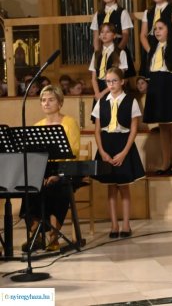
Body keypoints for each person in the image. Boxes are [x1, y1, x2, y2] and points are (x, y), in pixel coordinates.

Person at [21, 85, 81, 252]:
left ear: (60, 102)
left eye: (51, 100)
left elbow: (73, 152)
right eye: (43, 100)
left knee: (57, 187)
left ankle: (53, 238)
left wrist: (58, 174)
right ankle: (36, 235)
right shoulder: (37, 125)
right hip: (43, 169)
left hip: (65, 168)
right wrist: (39, 175)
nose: (46, 103)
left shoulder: (69, 122)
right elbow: (34, 156)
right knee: (29, 188)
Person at [92, 68, 146, 239]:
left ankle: (126, 225)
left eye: (114, 81)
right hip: (107, 144)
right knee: (111, 187)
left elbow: (134, 129)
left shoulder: (131, 101)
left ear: (122, 82)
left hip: (123, 143)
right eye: (108, 81)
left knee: (124, 186)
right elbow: (97, 130)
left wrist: (124, 153)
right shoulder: (101, 102)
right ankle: (114, 225)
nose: (111, 84)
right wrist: (102, 152)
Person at [142, 19, 172, 175]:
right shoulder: (153, 50)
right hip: (157, 91)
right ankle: (166, 163)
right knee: (163, 128)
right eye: (155, 29)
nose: (157, 31)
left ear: (169, 30)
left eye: (161, 28)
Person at [90, 0, 135, 77]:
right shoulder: (98, 14)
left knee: (118, 78)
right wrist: (98, 53)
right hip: (103, 50)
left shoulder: (122, 12)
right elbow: (96, 37)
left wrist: (117, 52)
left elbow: (125, 35)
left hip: (118, 49)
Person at [89, 23, 128, 101]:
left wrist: (102, 93)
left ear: (114, 35)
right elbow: (93, 78)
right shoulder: (96, 54)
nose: (104, 34)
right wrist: (97, 93)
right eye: (102, 32)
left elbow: (119, 77)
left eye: (108, 32)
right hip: (98, 90)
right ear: (99, 35)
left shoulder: (121, 53)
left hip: (114, 90)